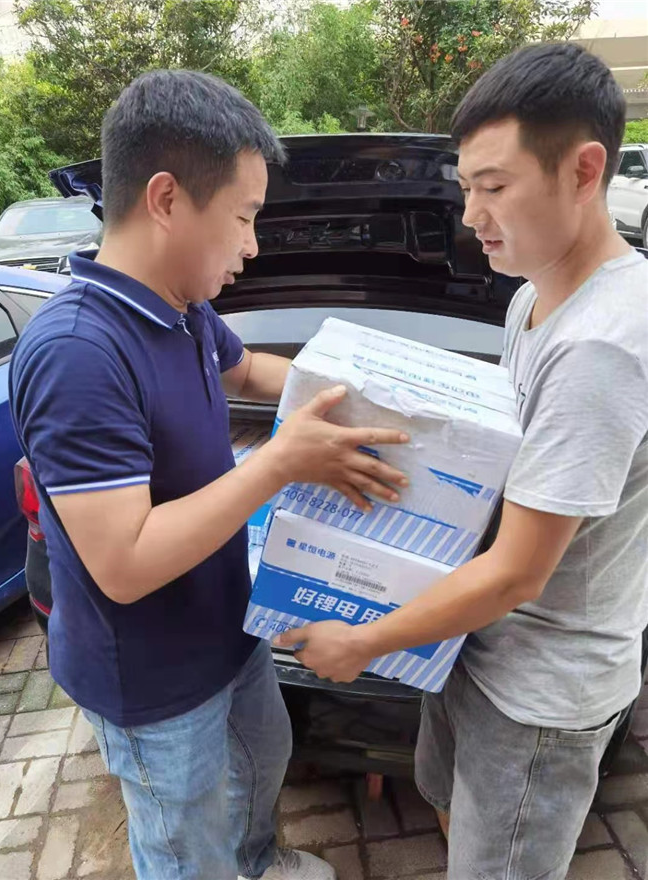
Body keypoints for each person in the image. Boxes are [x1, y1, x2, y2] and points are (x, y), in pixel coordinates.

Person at [9, 70, 410, 880]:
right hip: (151, 679)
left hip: (227, 629)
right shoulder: (79, 353)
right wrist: (280, 462)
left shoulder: (181, 308)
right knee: (185, 842)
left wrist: (367, 388)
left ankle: (259, 865)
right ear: (166, 199)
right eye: (244, 216)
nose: (252, 245)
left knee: (264, 762)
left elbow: (250, 369)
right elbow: (125, 563)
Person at [275, 42, 648, 879]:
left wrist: (363, 640)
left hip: (540, 692)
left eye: (494, 187)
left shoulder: (603, 347)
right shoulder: (533, 298)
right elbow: (497, 455)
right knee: (447, 800)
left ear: (584, 171)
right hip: (475, 649)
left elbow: (517, 572)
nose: (472, 214)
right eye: (466, 187)